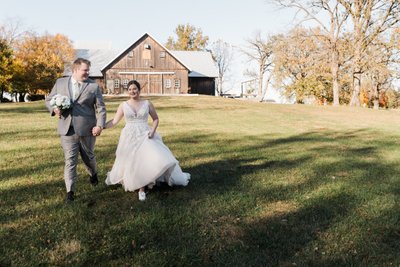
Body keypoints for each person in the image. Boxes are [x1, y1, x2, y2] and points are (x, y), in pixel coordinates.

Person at [104, 80, 190, 201]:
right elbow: (114, 121)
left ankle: (142, 189)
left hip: (145, 134)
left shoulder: (147, 103)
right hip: (129, 135)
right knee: (132, 161)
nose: (132, 91)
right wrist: (101, 126)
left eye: (134, 89)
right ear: (127, 91)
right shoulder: (123, 105)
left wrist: (152, 131)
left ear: (139, 90)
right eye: (129, 89)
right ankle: (135, 181)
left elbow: (155, 119)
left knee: (144, 160)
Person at [45, 58, 106, 203]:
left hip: (87, 129)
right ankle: (70, 192)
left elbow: (101, 108)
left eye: (88, 70)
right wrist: (54, 109)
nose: (87, 73)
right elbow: (49, 100)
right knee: (70, 160)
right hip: (67, 129)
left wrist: (99, 125)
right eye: (85, 70)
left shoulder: (93, 86)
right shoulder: (60, 83)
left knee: (88, 157)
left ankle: (93, 174)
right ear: (75, 70)